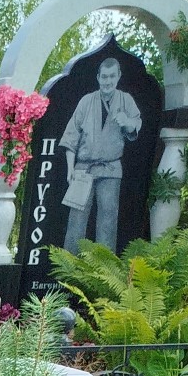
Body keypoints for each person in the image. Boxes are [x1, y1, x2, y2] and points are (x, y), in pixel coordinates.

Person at [61, 55, 142, 251]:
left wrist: (127, 122)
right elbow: (71, 135)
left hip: (111, 169)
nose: (108, 81)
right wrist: (70, 169)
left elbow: (136, 124)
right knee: (76, 219)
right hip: (83, 168)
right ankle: (68, 265)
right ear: (98, 77)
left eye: (112, 76)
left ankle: (104, 268)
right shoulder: (86, 101)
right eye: (104, 77)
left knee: (108, 220)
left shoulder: (126, 100)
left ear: (119, 76)